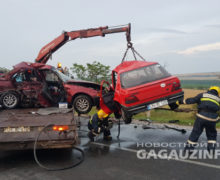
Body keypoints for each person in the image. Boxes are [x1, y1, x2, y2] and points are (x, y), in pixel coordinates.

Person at [181, 86, 220, 154]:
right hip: (212, 119)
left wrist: (180, 102)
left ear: (209, 90)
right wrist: (217, 118)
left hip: (201, 117)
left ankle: (188, 150)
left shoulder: (203, 95)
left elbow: (192, 100)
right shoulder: (218, 99)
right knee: (212, 134)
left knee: (195, 133)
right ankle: (211, 150)